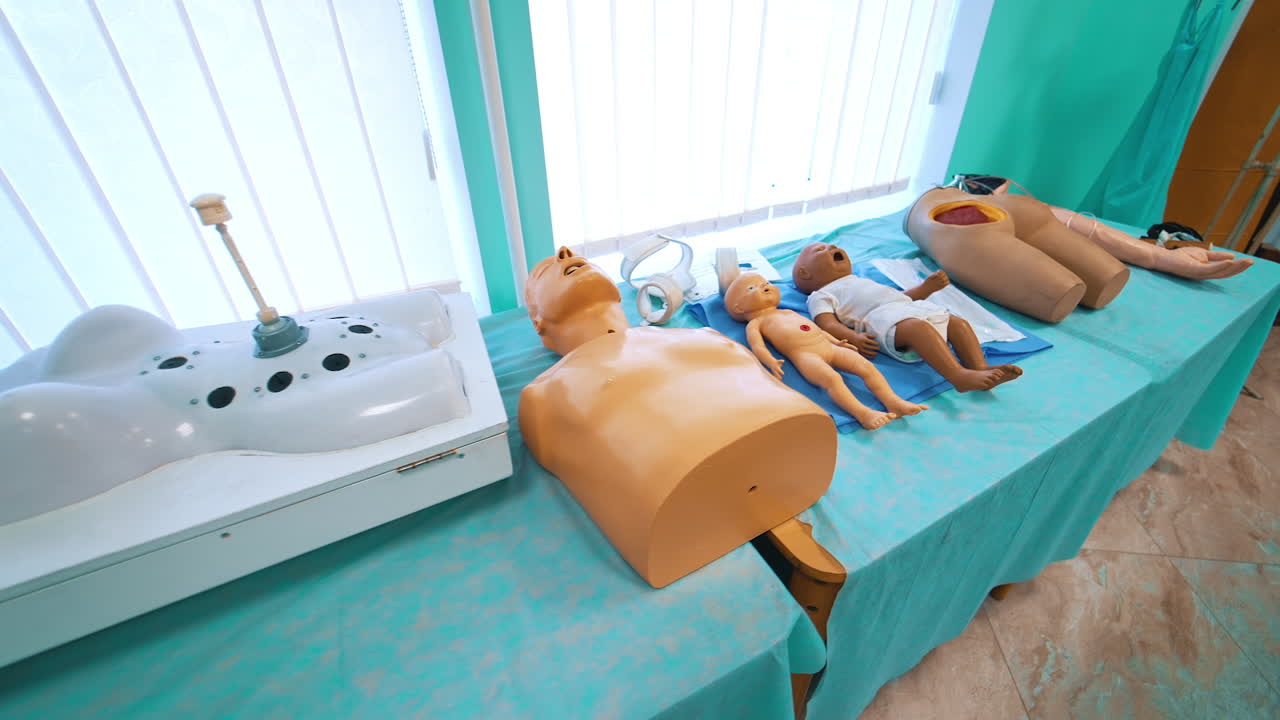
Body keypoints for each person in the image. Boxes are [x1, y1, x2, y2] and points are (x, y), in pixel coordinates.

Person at [519, 247, 836, 588]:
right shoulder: (543, 397)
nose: (565, 253)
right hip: (671, 510)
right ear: (539, 325)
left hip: (794, 439)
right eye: (544, 270)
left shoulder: (703, 336)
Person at [791, 242, 1022, 392]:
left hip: (908, 310)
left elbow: (902, 297)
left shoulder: (860, 281)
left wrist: (926, 288)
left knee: (957, 323)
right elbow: (826, 323)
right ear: (805, 273)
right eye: (820, 250)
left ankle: (978, 366)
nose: (831, 247)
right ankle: (958, 376)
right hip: (882, 322)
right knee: (918, 329)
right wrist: (853, 337)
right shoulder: (821, 294)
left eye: (832, 246)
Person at [723, 271, 929, 430]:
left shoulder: (787, 310)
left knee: (865, 366)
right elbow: (757, 345)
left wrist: (837, 342)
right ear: (740, 308)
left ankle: (892, 401)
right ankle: (863, 413)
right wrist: (770, 361)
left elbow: (817, 328)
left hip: (829, 346)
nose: (764, 287)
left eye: (765, 283)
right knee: (832, 380)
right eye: (752, 288)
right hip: (806, 356)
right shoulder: (756, 323)